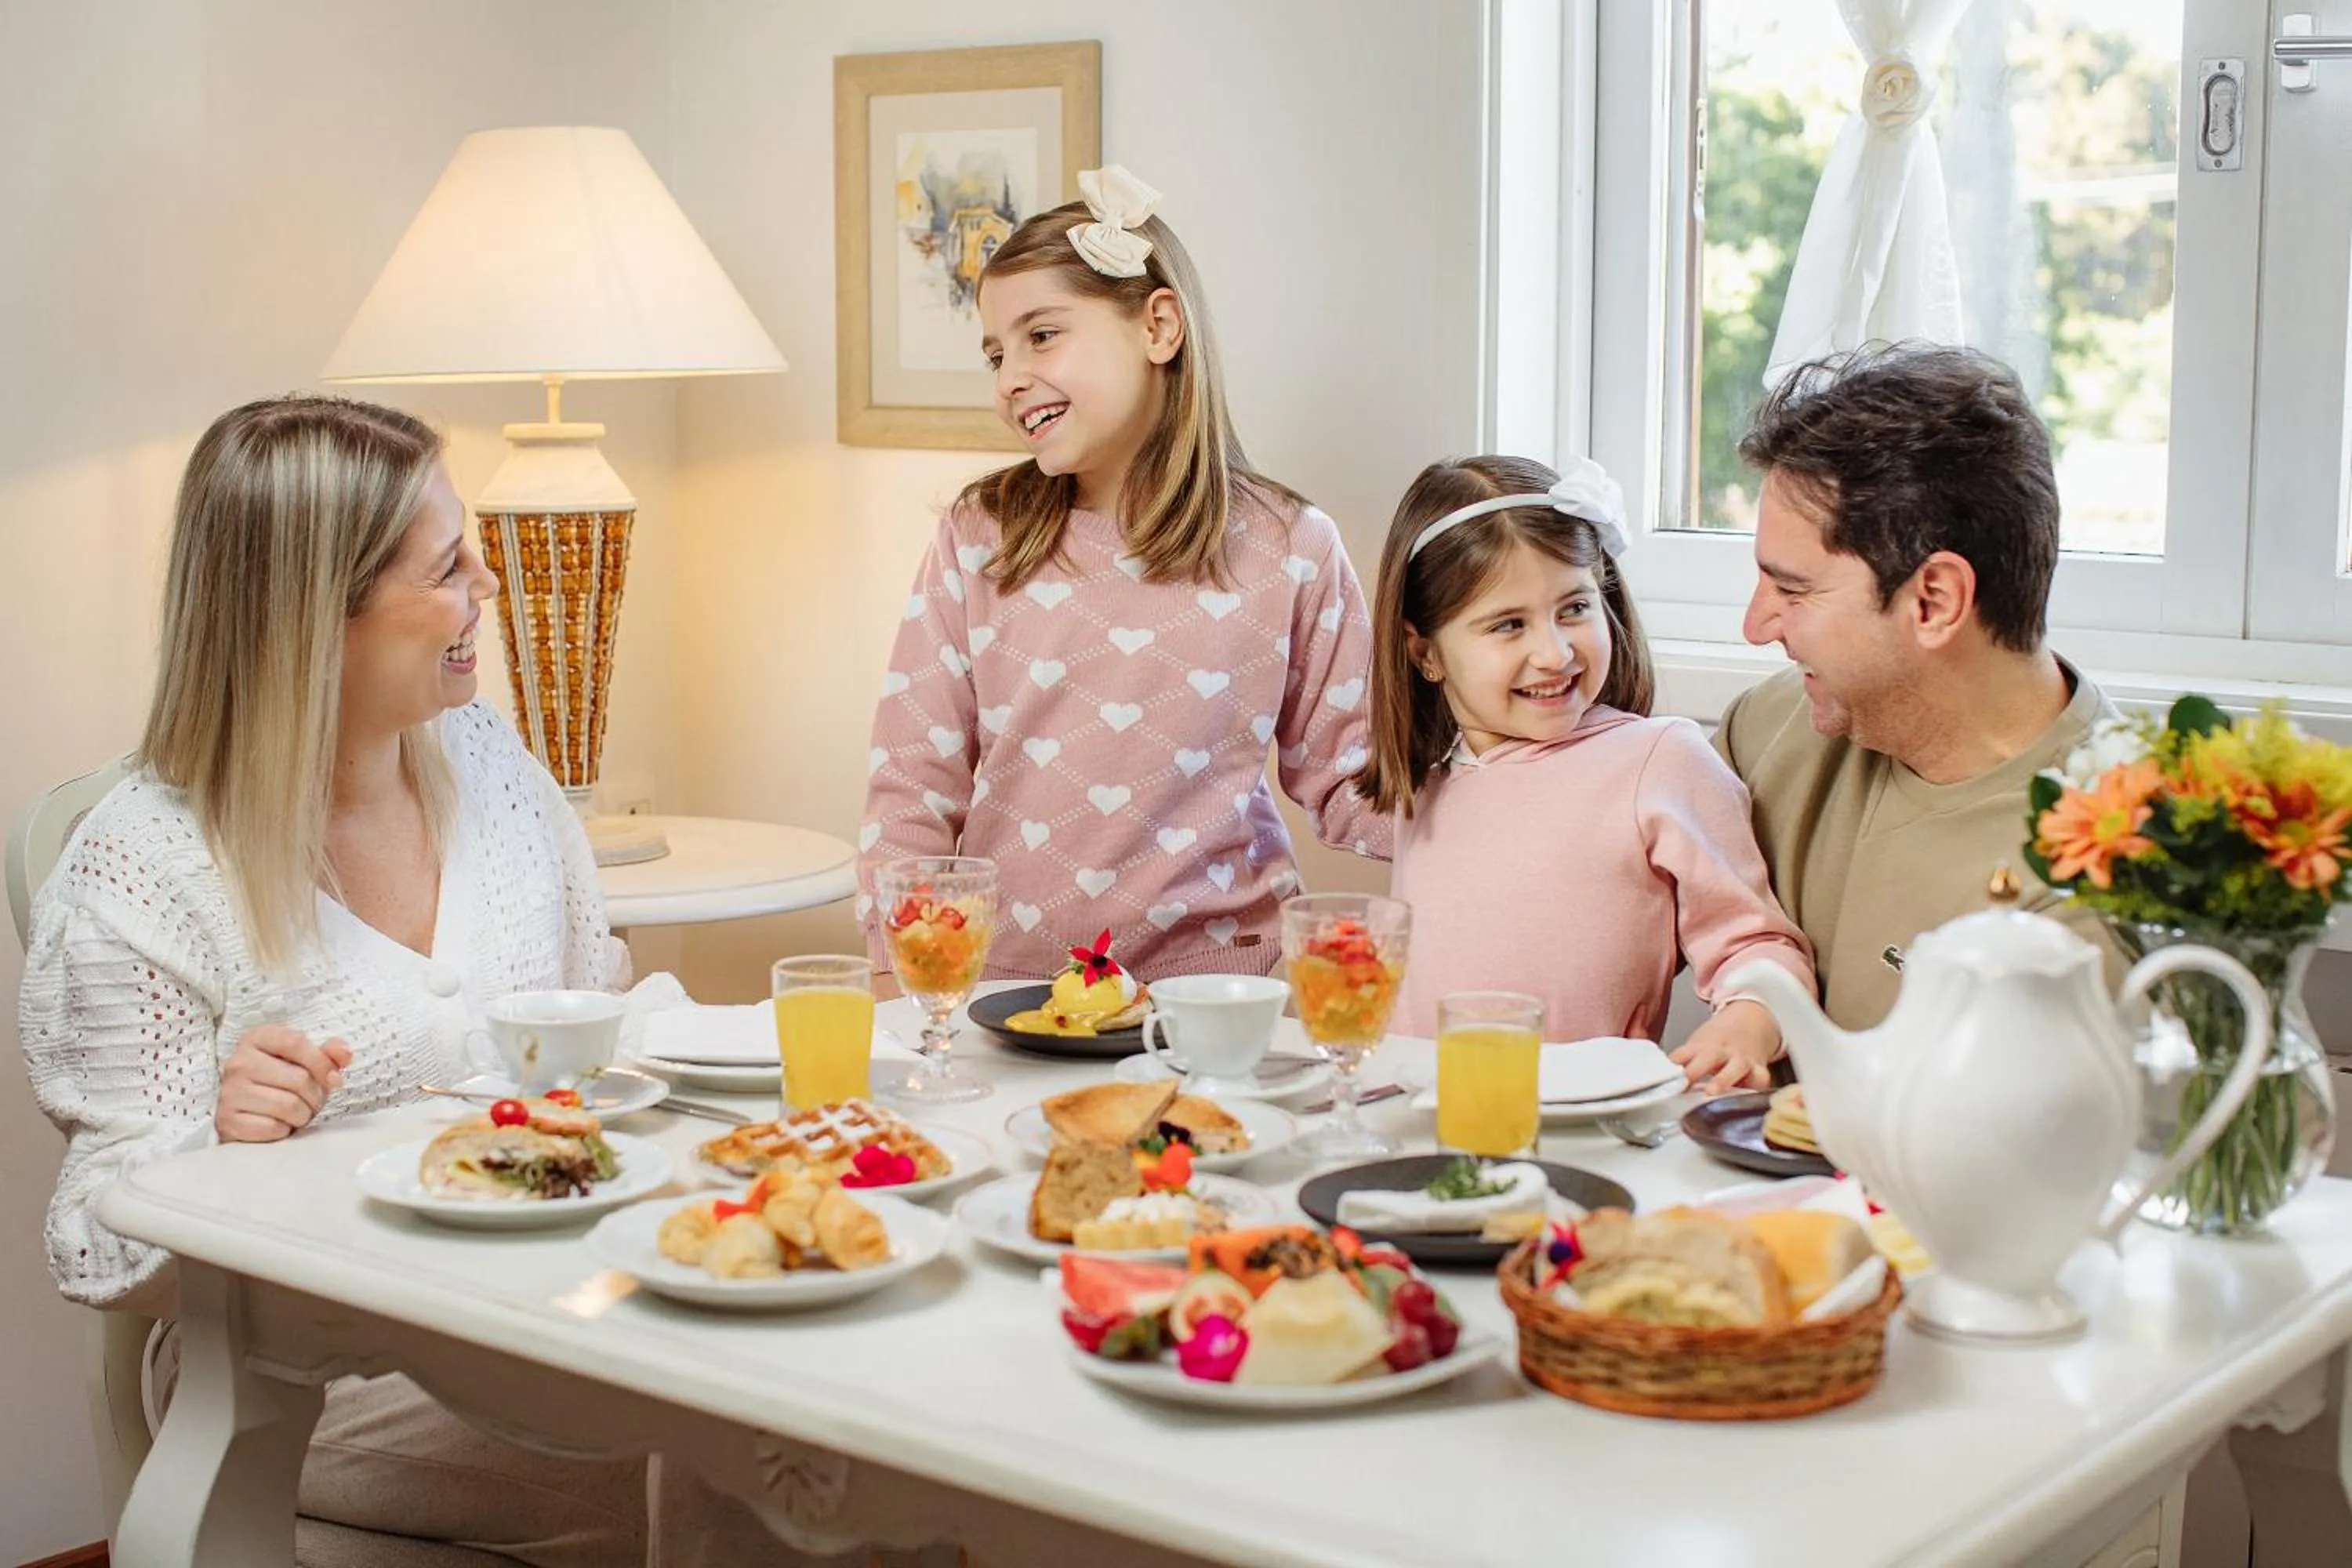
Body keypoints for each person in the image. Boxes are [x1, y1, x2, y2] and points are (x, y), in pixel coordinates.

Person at [19, 394, 661, 1564]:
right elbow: (96, 1242)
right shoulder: (146, 861)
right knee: (711, 1455)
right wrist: (219, 1139)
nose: (488, 589)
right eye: (449, 567)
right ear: (320, 616)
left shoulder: (489, 761)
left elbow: (592, 1030)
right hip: (310, 1372)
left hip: (542, 1305)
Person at [860, 166, 1386, 985]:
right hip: (1009, 987)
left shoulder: (1290, 545)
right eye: (996, 353)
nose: (1010, 378)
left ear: (1160, 327)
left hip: (1225, 990)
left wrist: (1531, 789)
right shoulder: (979, 536)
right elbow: (911, 788)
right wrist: (902, 982)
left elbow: (1354, 780)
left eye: (1041, 336)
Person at [1352, 454, 1813, 1091]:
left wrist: (1748, 1024)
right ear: (1425, 652)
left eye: (1574, 608)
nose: (1555, 652)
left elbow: (1757, 945)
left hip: (1582, 1127)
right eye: (1508, 625)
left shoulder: (1659, 761)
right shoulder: (1425, 785)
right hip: (1419, 1120)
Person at [1713, 343, 2113, 1029]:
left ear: (1933, 601)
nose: (1756, 626)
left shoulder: (2119, 865)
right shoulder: (1770, 729)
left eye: (1793, 588)